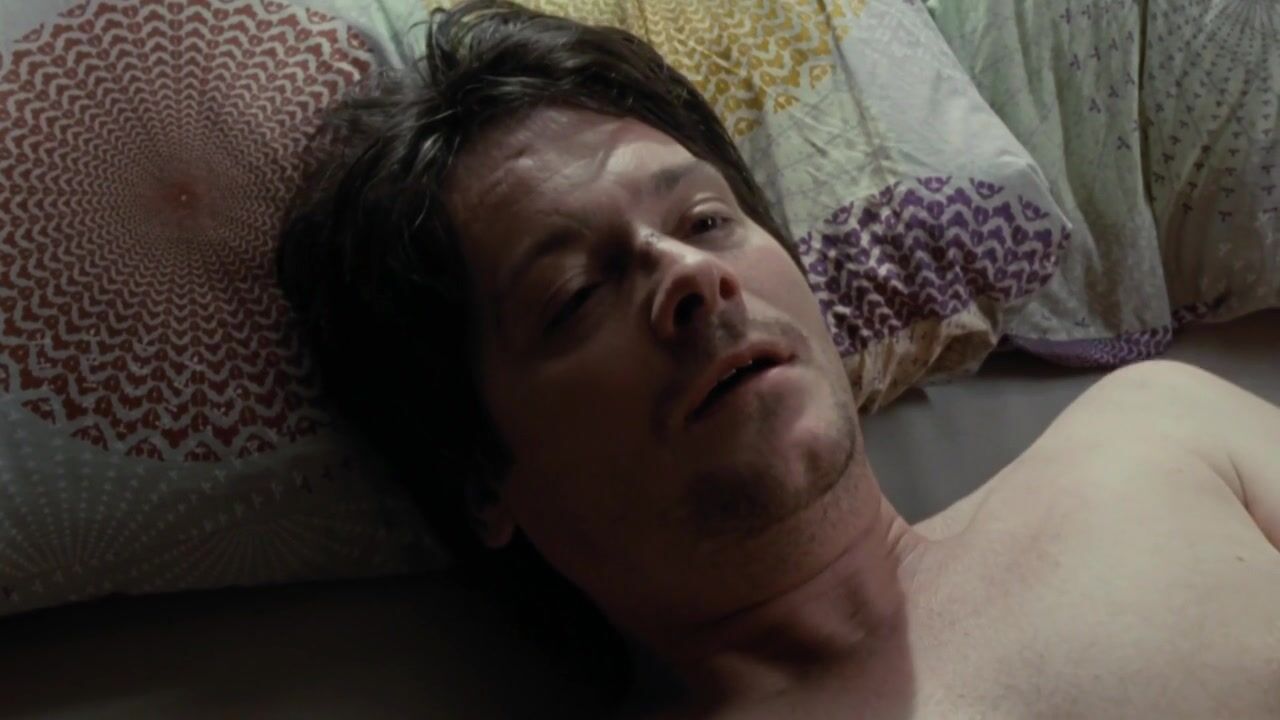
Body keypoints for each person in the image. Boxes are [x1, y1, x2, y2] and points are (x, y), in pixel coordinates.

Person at [277, 1, 1280, 717]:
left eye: (706, 219)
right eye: (575, 295)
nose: (692, 277)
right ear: (479, 476)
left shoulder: (1160, 437)